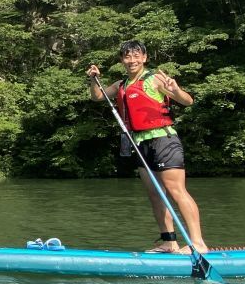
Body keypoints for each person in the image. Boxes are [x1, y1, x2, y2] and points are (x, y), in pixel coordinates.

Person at [86, 40, 209, 254]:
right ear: (122, 60)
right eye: (127, 56)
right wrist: (94, 79)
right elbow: (97, 96)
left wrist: (176, 91)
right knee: (155, 193)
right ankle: (169, 241)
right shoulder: (121, 84)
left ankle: (198, 242)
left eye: (136, 56)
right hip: (140, 142)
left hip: (163, 139)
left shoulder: (154, 79)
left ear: (144, 58)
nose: (131, 60)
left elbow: (187, 101)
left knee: (176, 190)